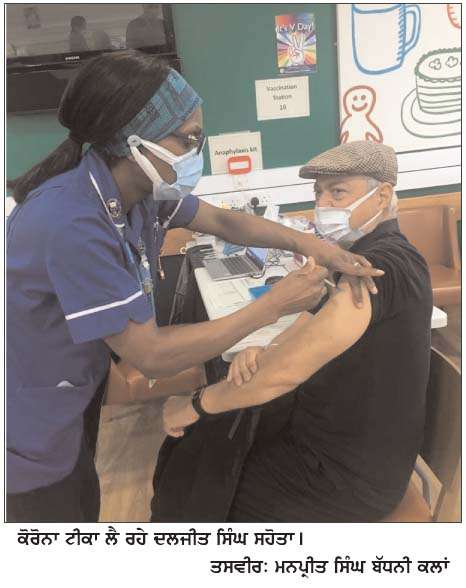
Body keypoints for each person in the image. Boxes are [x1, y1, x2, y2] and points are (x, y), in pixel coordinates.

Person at [6, 51, 380, 523]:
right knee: (52, 517)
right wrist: (274, 304)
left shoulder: (141, 193)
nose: (194, 153)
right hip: (27, 409)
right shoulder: (71, 221)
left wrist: (315, 245)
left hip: (71, 386)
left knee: (81, 493)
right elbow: (151, 354)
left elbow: (225, 221)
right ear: (133, 140)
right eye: (187, 140)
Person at [155, 141, 433, 523]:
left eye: (338, 192)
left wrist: (196, 403)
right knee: (205, 448)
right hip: (322, 439)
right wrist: (267, 348)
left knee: (200, 484)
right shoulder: (351, 259)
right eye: (319, 193)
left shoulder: (380, 269)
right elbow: (311, 324)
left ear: (382, 196)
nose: (323, 204)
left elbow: (285, 372)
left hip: (346, 476)